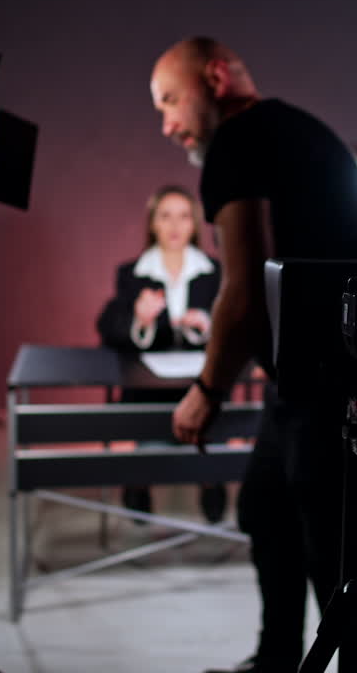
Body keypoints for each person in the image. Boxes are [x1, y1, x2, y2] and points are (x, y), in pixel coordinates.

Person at [151, 37, 357, 673]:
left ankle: (348, 666)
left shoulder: (237, 140)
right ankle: (277, 659)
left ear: (217, 77)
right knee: (265, 507)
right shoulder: (289, 128)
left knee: (331, 551)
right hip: (328, 376)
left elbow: (245, 286)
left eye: (171, 100)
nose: (168, 123)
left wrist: (208, 388)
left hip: (325, 384)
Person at [96, 184, 227, 523]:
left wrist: (209, 326)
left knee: (211, 411)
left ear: (195, 224)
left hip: (198, 385)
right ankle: (139, 483)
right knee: (146, 421)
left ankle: (212, 482)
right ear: (152, 223)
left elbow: (235, 328)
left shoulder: (214, 273)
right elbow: (108, 327)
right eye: (165, 216)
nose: (174, 226)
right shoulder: (133, 273)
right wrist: (141, 322)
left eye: (184, 217)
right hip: (147, 389)